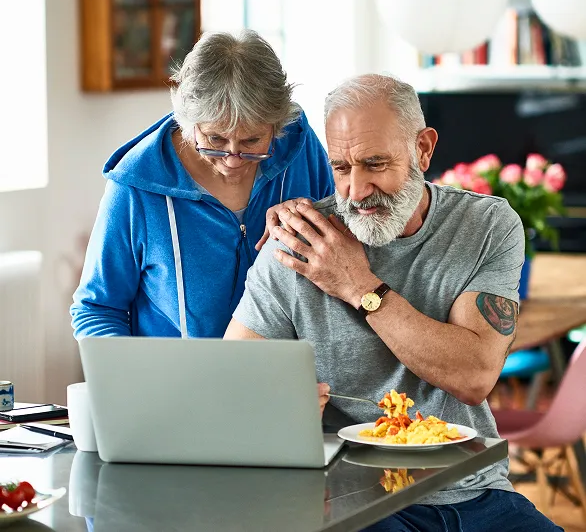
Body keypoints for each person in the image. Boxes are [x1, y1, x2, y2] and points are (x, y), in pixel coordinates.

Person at [224, 74, 562, 531]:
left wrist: (357, 284)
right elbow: (230, 390)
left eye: (375, 164)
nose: (356, 190)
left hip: (475, 491)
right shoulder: (294, 243)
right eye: (341, 168)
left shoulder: (486, 226)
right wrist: (279, 411)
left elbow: (473, 375)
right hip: (353, 500)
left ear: (423, 149)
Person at [70, 30, 333, 339]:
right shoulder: (136, 186)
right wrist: (132, 380)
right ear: (187, 121)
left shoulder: (301, 147)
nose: (233, 159)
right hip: (177, 382)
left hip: (290, 377)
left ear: (277, 125)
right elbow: (97, 308)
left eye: (252, 140)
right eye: (215, 139)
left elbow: (342, 254)